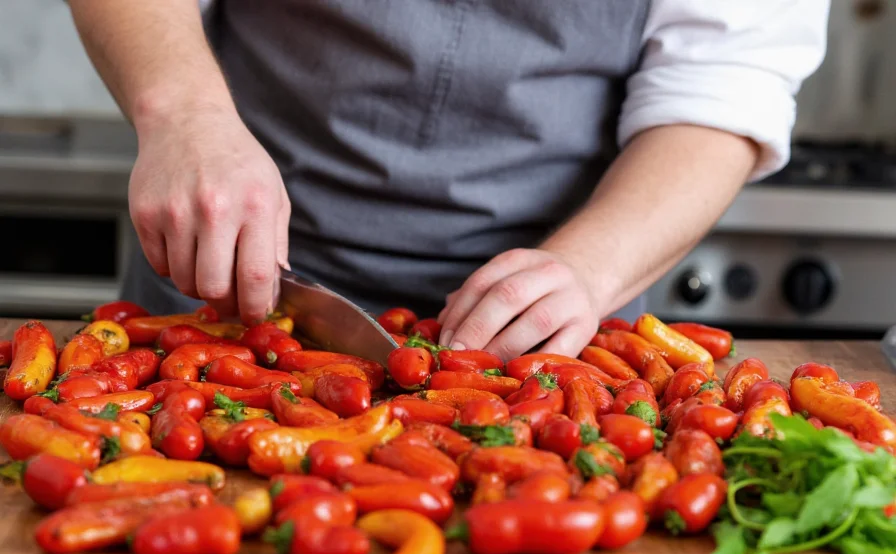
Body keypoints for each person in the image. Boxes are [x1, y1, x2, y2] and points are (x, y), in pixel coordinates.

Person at [69, 0, 829, 361]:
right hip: (228, 268)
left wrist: (588, 270)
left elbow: (724, 80)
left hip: (559, 319)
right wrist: (183, 113)